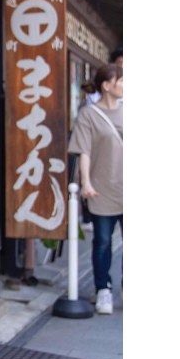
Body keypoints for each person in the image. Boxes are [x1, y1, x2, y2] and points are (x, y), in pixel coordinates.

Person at [68, 63, 123, 315]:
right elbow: (84, 152)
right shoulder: (89, 115)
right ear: (107, 86)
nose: (124, 85)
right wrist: (86, 182)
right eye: (121, 81)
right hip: (102, 189)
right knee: (102, 242)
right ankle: (103, 290)